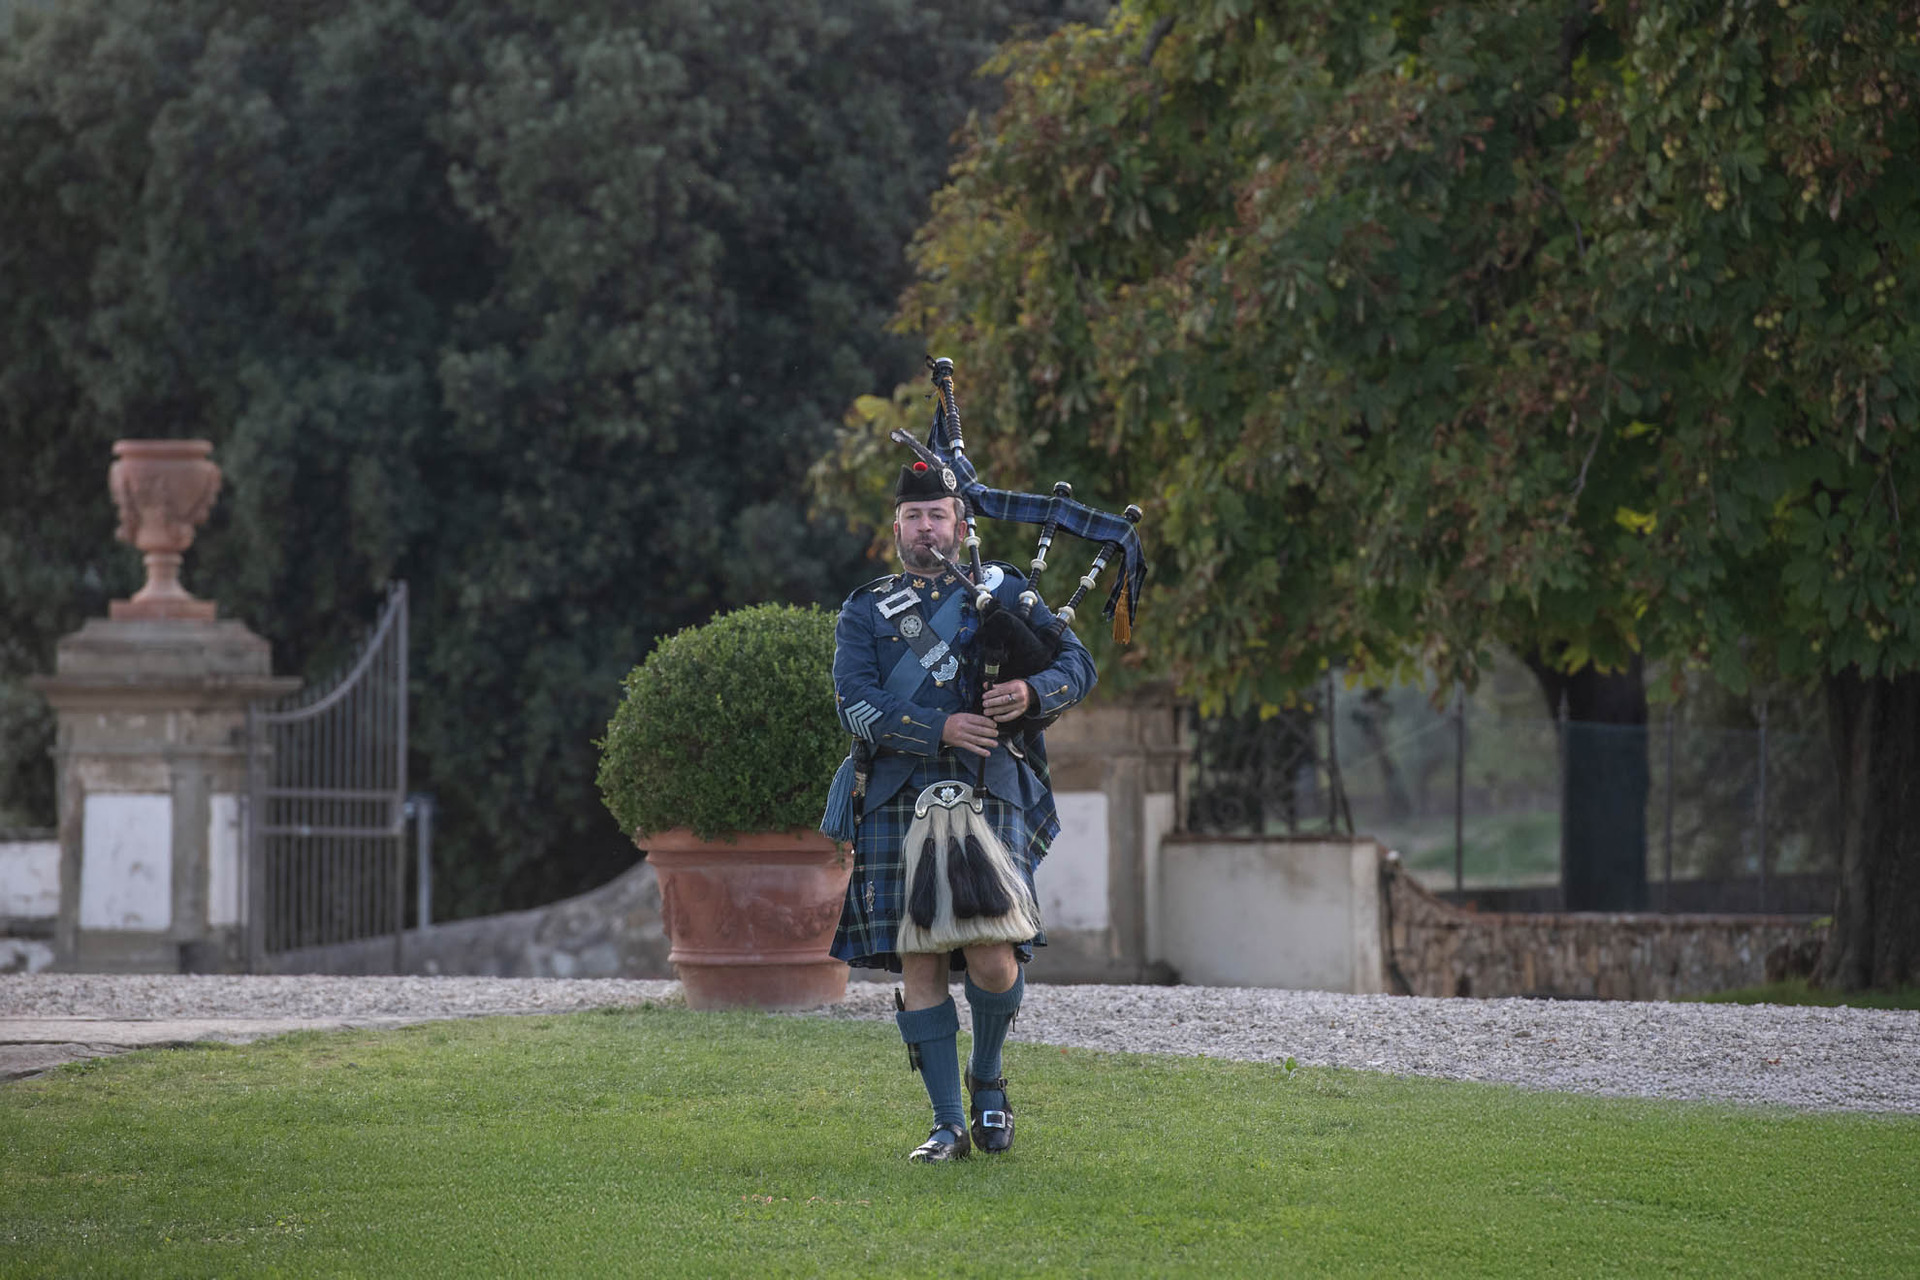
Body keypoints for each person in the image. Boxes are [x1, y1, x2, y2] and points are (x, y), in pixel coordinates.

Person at [825, 459, 1096, 1162]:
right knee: (920, 959)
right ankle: (947, 1125)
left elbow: (1078, 667)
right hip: (901, 791)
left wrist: (1032, 695)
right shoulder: (866, 610)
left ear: (959, 522)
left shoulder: (1002, 589)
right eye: (913, 517)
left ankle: (988, 1078)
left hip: (989, 785)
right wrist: (936, 727)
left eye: (937, 515)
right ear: (896, 528)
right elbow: (852, 702)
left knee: (993, 955)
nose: (925, 528)